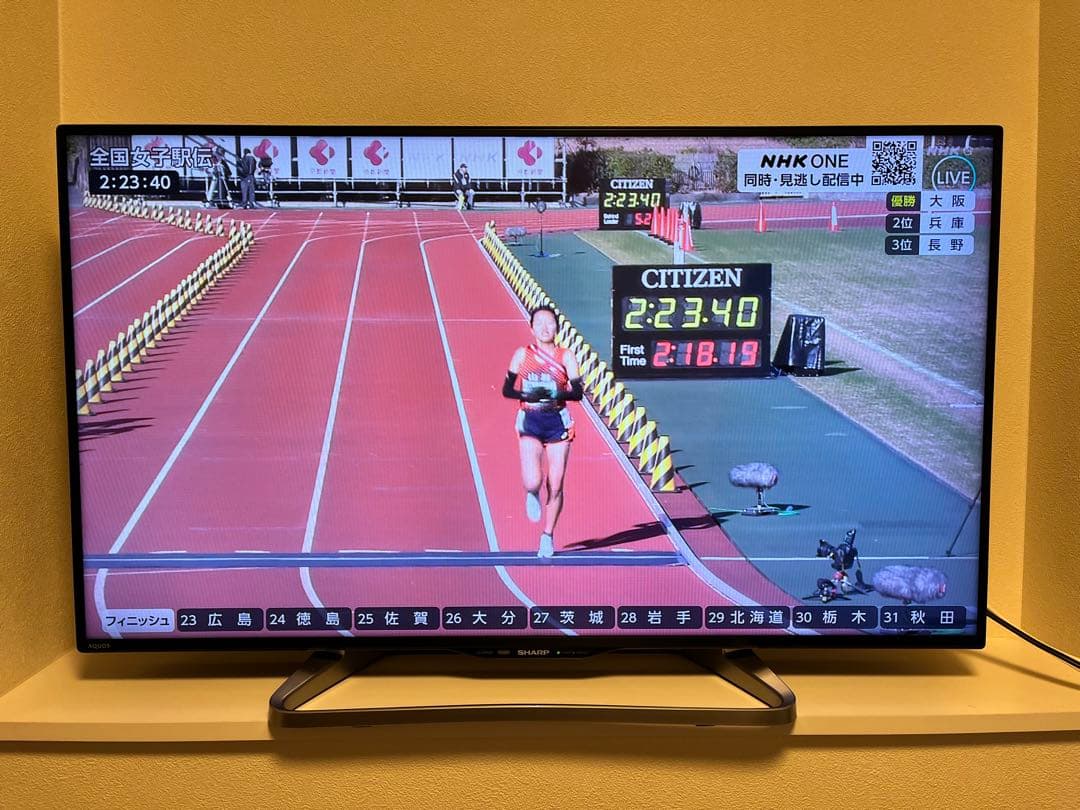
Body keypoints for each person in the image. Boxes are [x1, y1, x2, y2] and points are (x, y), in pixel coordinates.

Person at [501, 306, 583, 557]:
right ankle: (532, 492)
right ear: (531, 328)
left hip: (557, 423)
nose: (545, 328)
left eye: (550, 323)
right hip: (531, 421)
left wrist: (554, 393)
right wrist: (528, 395)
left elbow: (578, 393)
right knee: (533, 480)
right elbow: (507, 390)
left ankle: (547, 535)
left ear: (557, 327)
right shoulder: (522, 355)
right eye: (539, 323)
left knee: (556, 484)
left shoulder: (566, 356)